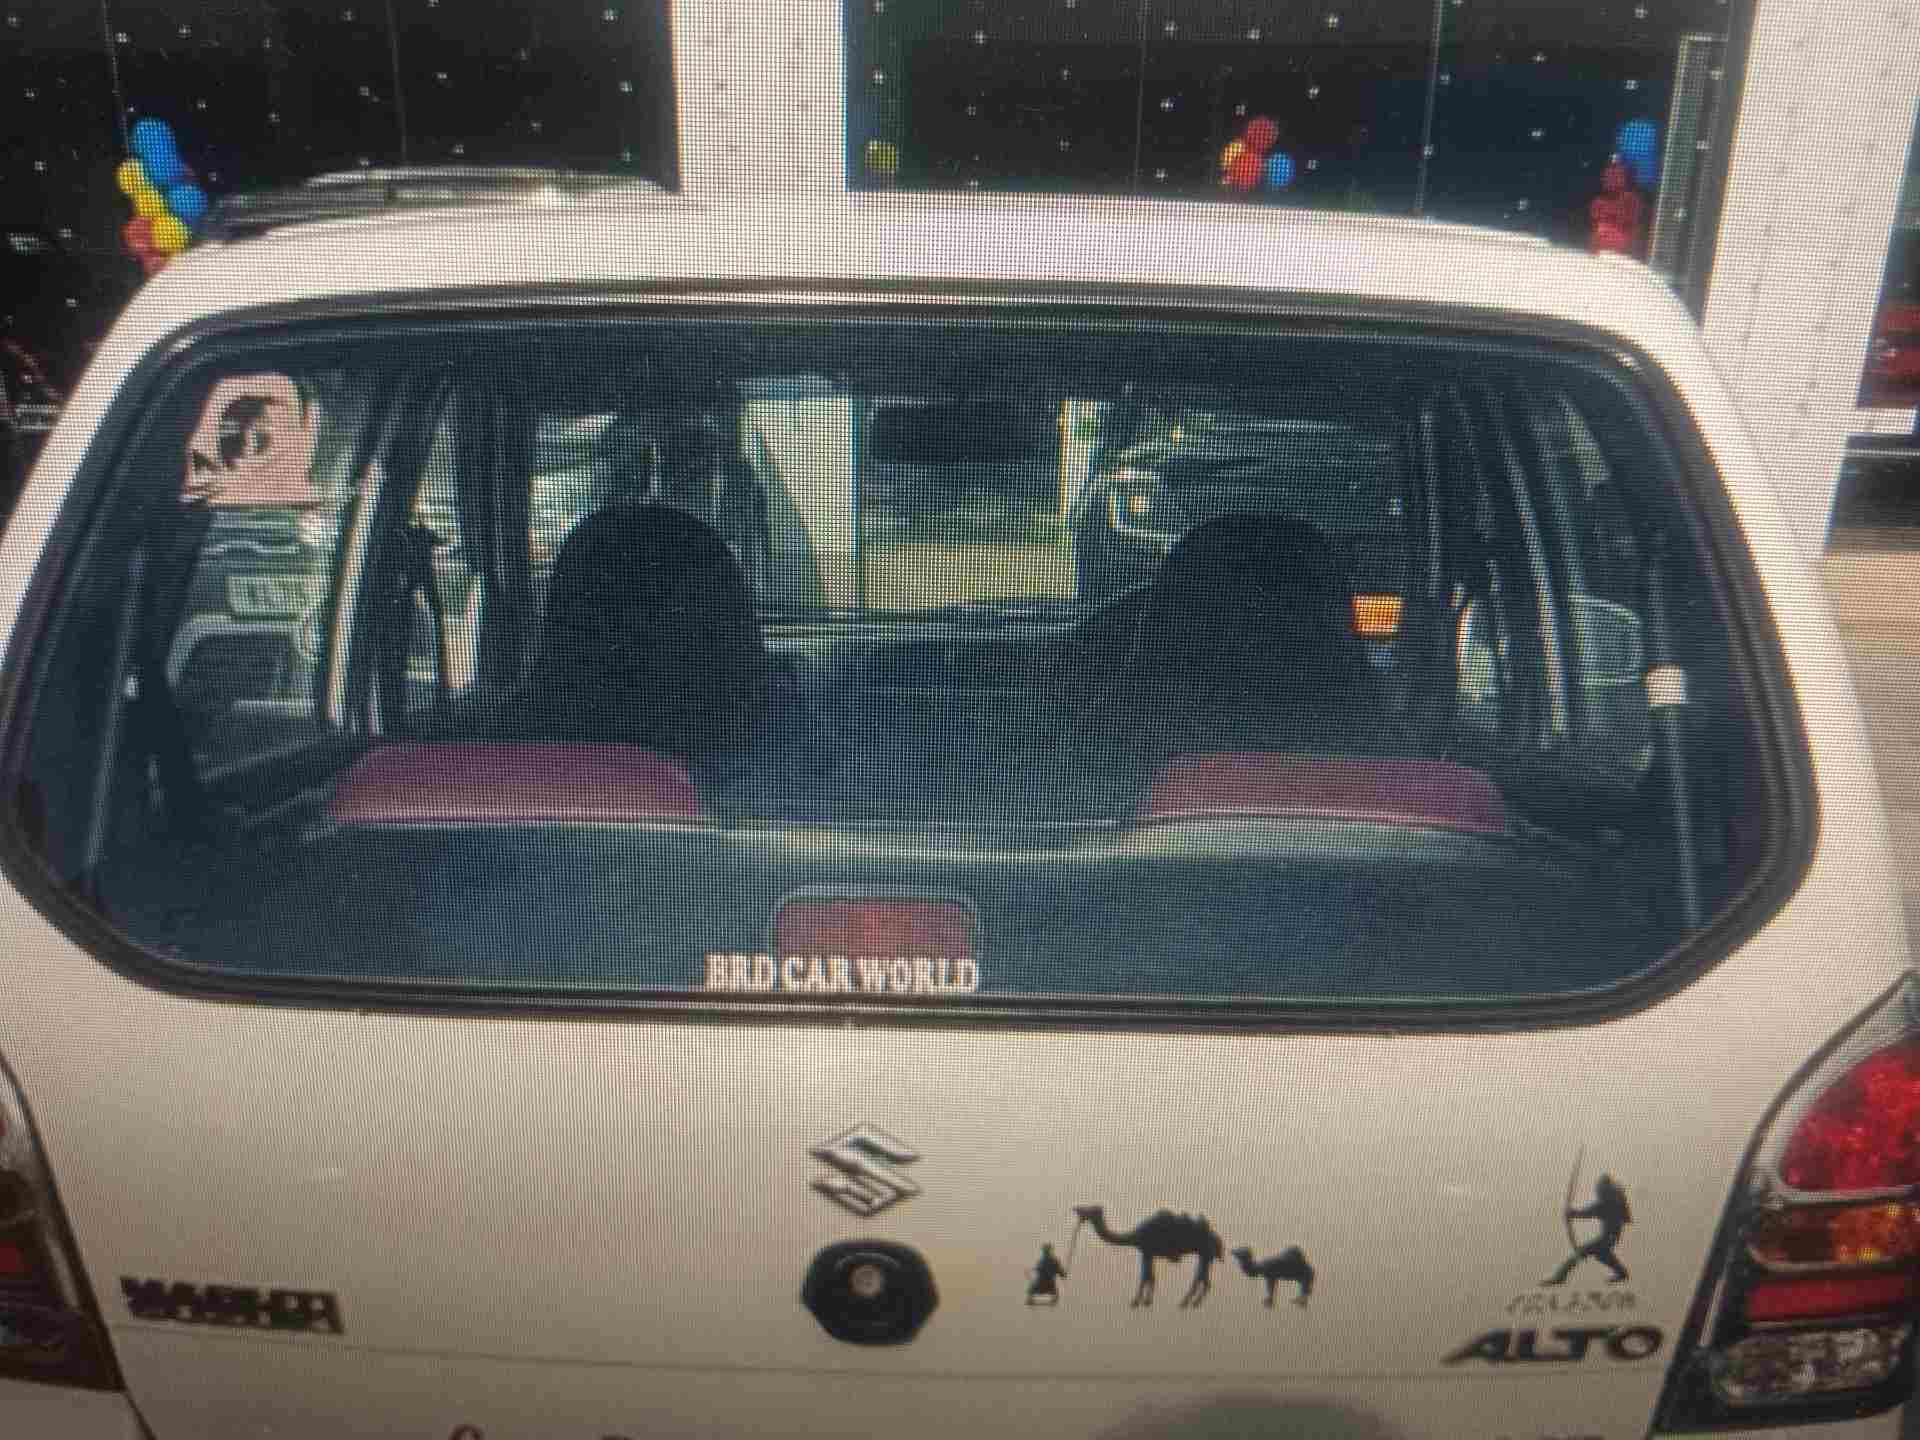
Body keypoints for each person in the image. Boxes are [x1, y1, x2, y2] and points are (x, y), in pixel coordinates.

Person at [1543, 1173, 1632, 1285]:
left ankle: (1560, 1277)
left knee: (1582, 1252)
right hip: (1611, 1238)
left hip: (1607, 1238)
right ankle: (1622, 1273)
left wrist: (1572, 1213)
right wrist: (1573, 1213)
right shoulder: (1615, 1202)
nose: (1598, 1192)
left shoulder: (1606, 1204)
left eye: (1600, 1190)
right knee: (1602, 1255)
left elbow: (1586, 1212)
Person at [1589, 162, 1648, 259]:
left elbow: (1634, 230)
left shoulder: (1632, 201)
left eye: (1615, 176)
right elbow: (1597, 229)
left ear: (1623, 178)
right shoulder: (1598, 202)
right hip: (1600, 254)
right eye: (1606, 176)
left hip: (1625, 255)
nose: (1609, 179)